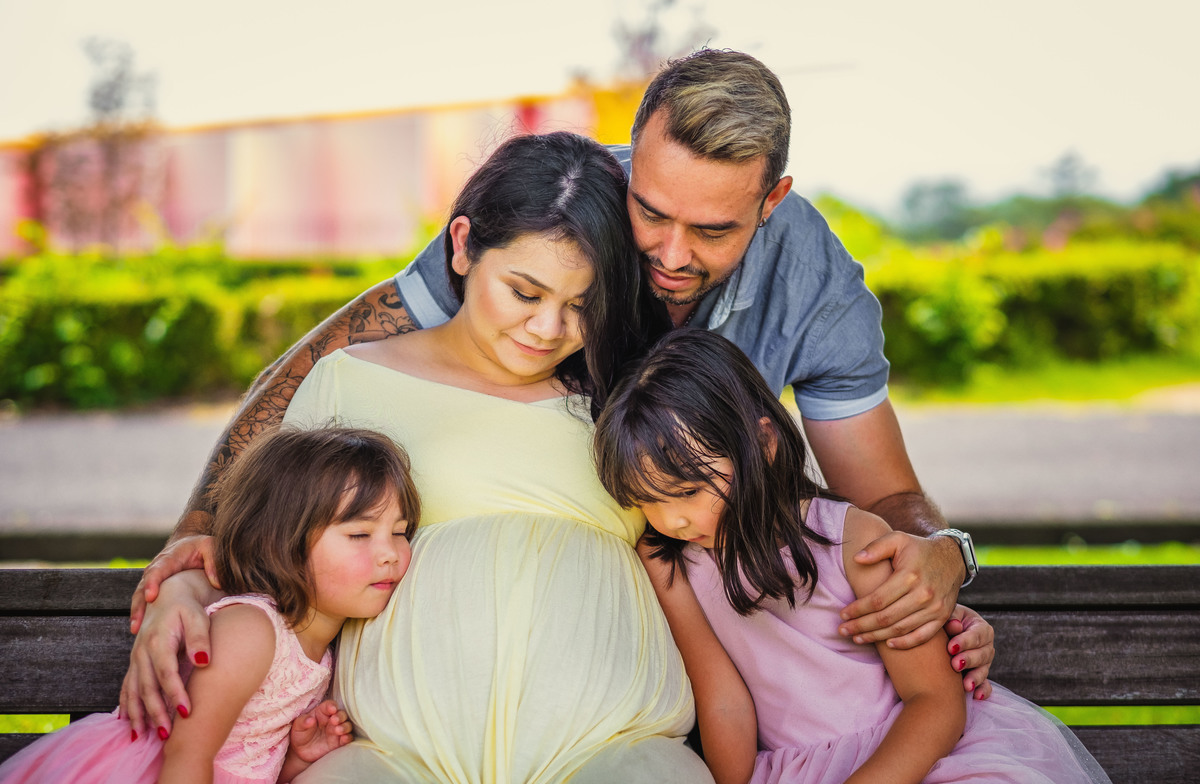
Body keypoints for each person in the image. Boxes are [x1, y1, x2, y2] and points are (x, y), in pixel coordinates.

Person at [126, 49, 993, 728]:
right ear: (633, 157)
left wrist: (940, 558)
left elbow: (883, 497)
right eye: (651, 211)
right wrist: (196, 542)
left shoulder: (815, 281)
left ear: (772, 203)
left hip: (717, 661)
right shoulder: (564, 205)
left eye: (714, 229)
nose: (670, 253)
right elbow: (322, 361)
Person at [133, 132, 708, 783]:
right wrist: (180, 587)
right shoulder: (350, 381)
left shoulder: (629, 399)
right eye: (524, 292)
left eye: (581, 306)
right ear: (462, 246)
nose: (548, 329)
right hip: (392, 758)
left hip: (616, 746)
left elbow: (745, 510)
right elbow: (270, 552)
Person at [592, 328, 1111, 784]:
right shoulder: (672, 562)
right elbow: (722, 697)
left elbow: (935, 703)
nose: (669, 520)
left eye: (685, 492)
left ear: (763, 443)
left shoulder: (853, 540)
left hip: (916, 755)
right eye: (646, 501)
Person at [0, 425, 421, 784]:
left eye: (400, 532)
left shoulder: (321, 650)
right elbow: (187, 756)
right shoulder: (252, 631)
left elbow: (242, 762)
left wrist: (295, 758)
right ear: (284, 543)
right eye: (360, 535)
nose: (390, 553)